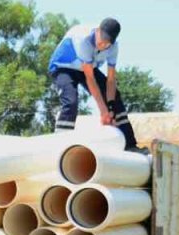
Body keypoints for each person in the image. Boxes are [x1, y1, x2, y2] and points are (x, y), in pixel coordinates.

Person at [46, 17, 139, 149]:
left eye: (108, 43)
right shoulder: (83, 40)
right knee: (71, 102)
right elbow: (90, 79)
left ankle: (130, 145)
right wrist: (103, 112)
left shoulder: (113, 48)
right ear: (98, 31)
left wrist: (111, 108)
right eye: (102, 39)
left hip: (86, 68)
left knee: (115, 98)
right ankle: (60, 146)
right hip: (63, 67)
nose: (103, 45)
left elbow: (111, 80)